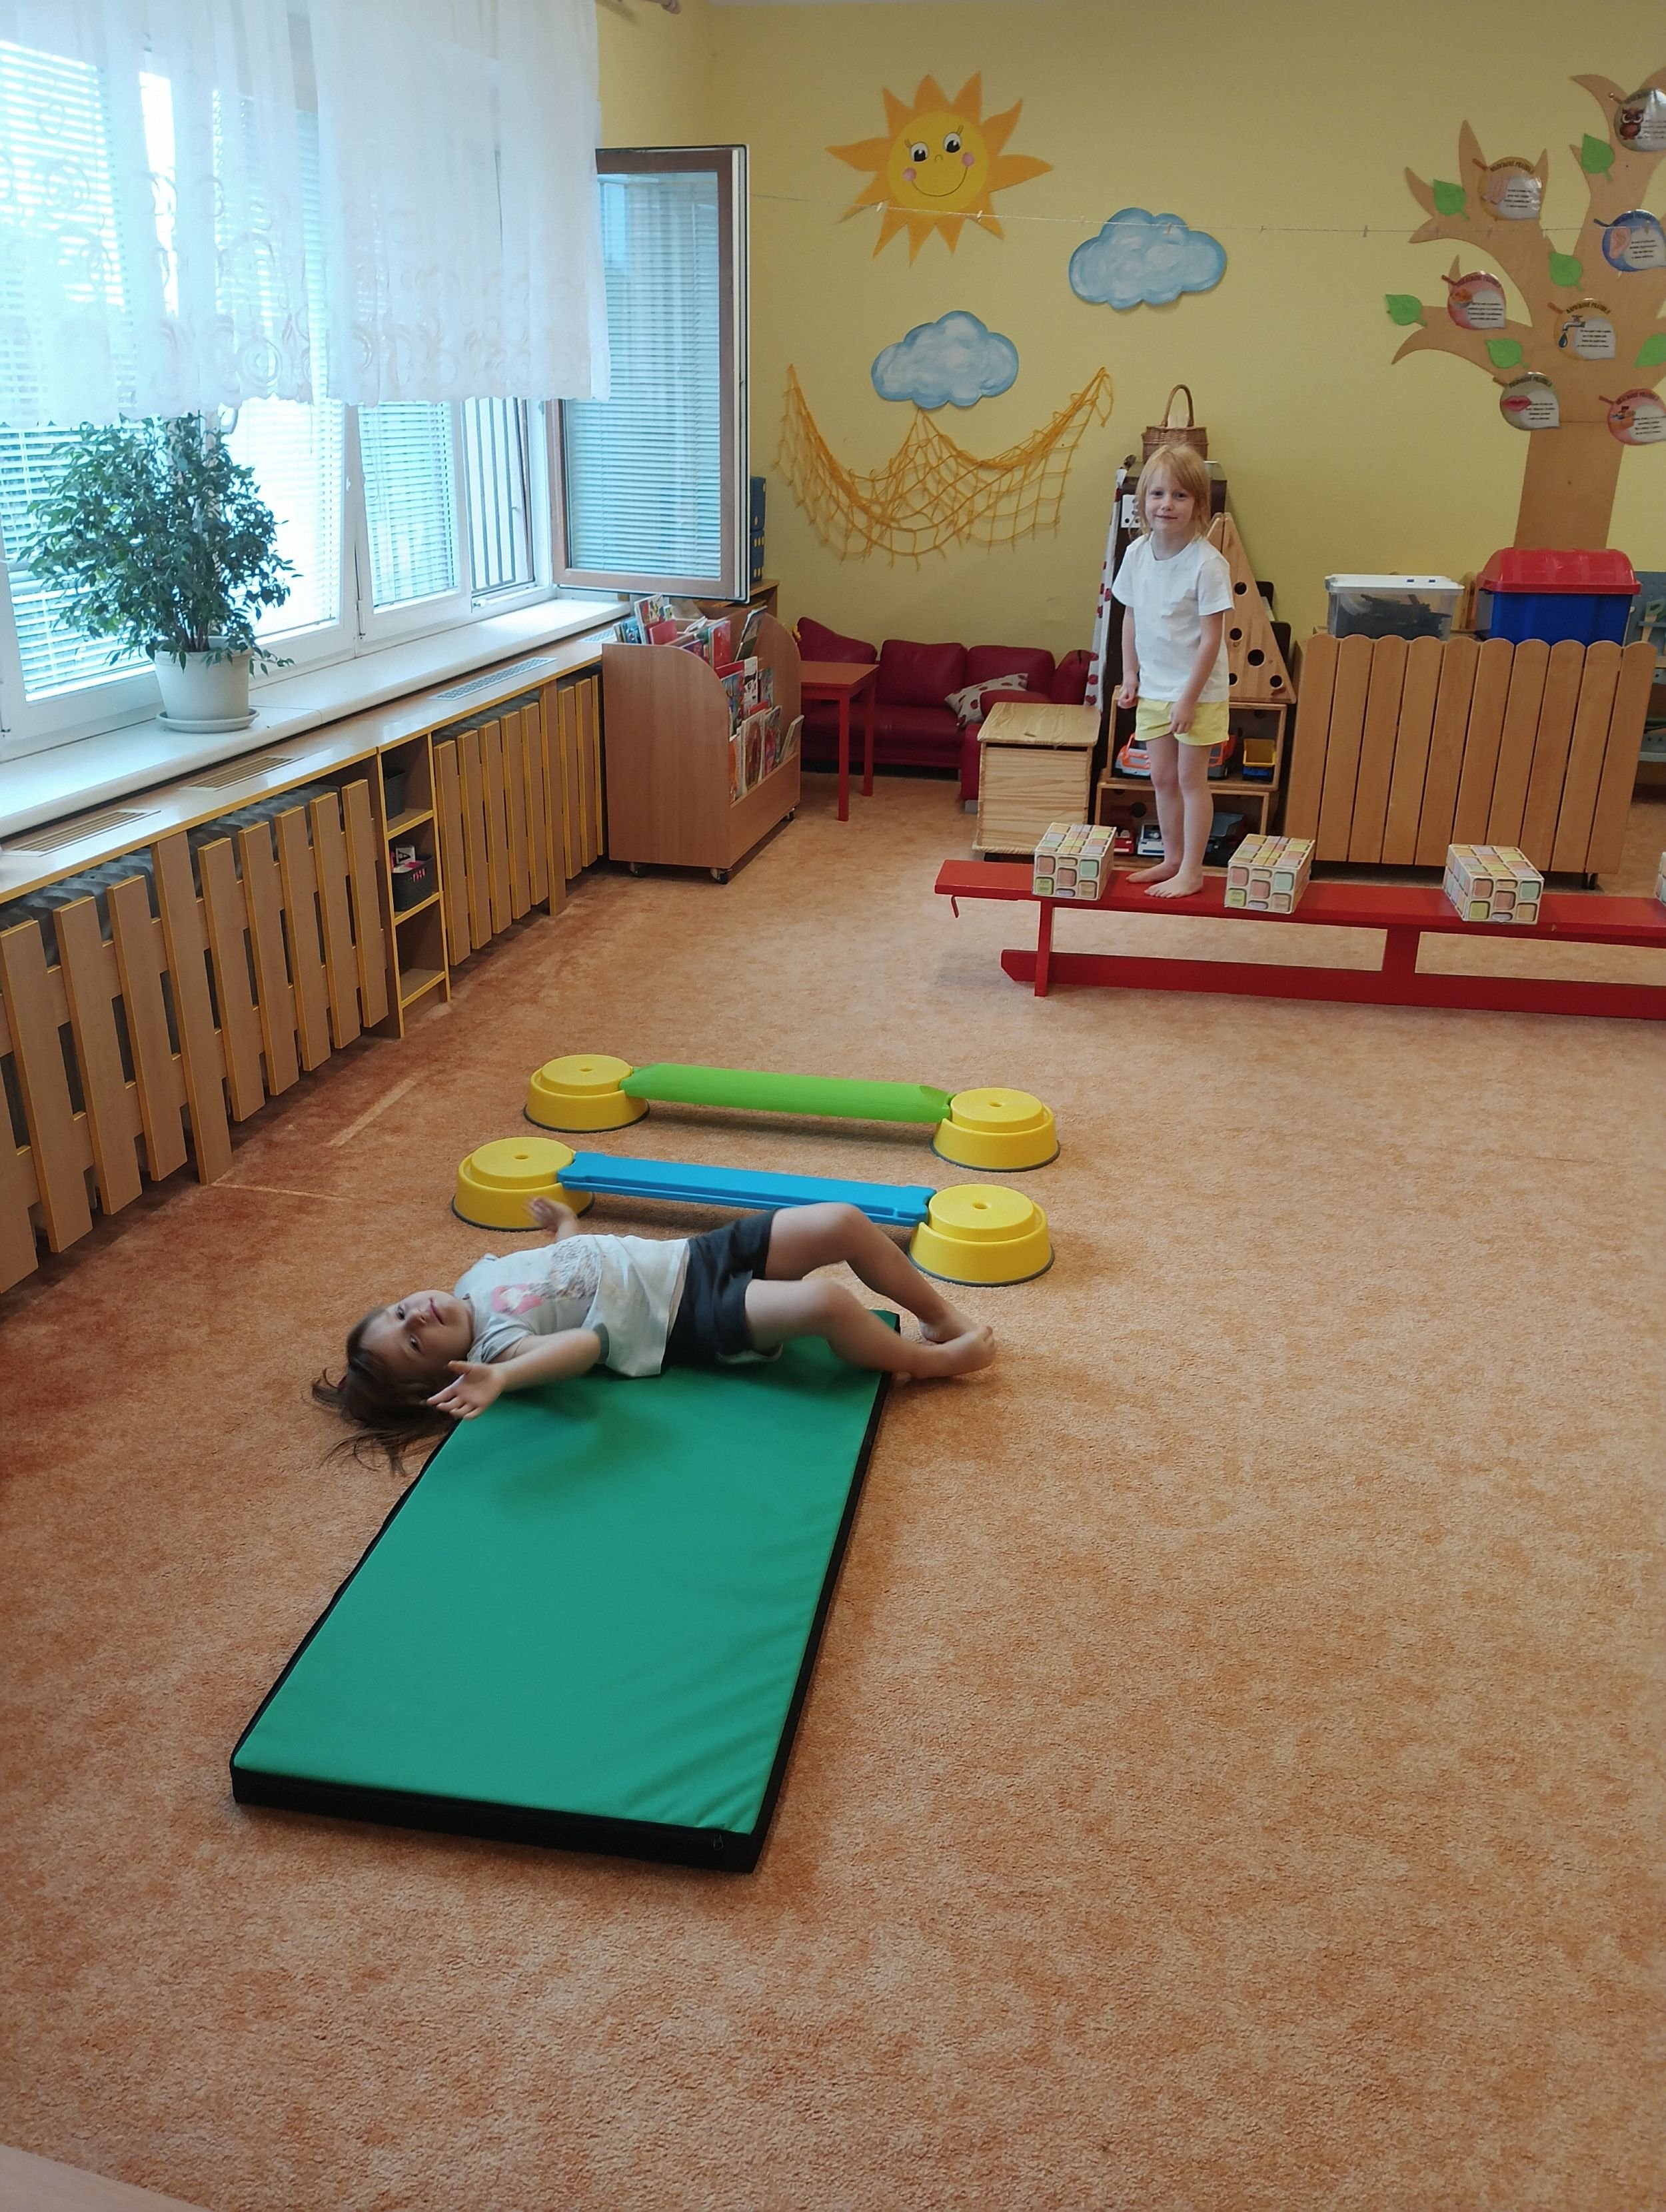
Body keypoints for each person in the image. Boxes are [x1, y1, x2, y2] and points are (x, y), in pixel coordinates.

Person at [315, 1200, 996, 1467]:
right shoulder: (497, 1345)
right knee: (827, 1303)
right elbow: (584, 1345)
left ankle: (938, 1316)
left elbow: (556, 1271)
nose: (416, 1316)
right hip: (686, 1315)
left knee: (841, 1221)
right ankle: (923, 1364)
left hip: (689, 1256)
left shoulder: (474, 1277)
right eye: (412, 1343)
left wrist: (565, 1229)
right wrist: (502, 1377)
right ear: (447, 1374)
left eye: (399, 1311)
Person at [1113, 442, 1235, 899]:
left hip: (1196, 694)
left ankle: (1193, 870)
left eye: (1180, 495)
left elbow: (1211, 639)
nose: (1167, 504)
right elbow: (1131, 616)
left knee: (1190, 780)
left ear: (1198, 505)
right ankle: (1171, 858)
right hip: (1154, 689)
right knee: (1161, 778)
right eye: (1158, 494)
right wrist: (1130, 675)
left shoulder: (1208, 564)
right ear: (1143, 501)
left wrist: (1188, 699)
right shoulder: (1137, 553)